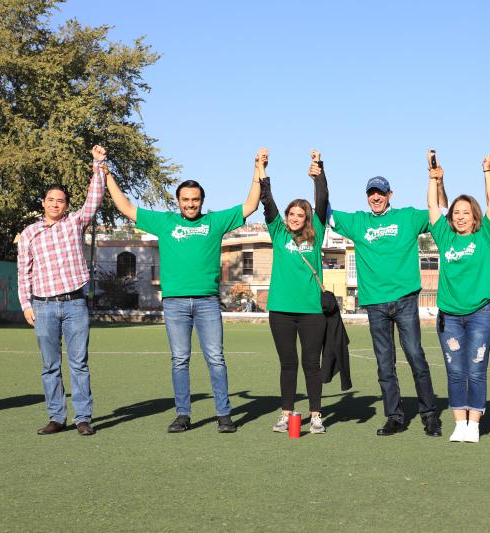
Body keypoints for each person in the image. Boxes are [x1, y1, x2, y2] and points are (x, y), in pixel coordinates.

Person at [103, 151, 262, 434]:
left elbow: (250, 205)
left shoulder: (215, 222)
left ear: (202, 201)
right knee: (179, 360)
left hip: (207, 302)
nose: (190, 204)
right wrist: (106, 174)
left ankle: (224, 414)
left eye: (195, 199)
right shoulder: (164, 222)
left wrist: (258, 169)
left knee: (216, 359)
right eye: (186, 199)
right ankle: (183, 414)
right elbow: (126, 207)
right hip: (175, 303)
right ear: (178, 201)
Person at [329, 163, 448, 437]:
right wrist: (319, 176)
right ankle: (394, 416)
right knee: (384, 363)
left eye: (380, 193)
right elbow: (326, 213)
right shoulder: (358, 222)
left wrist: (438, 181)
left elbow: (440, 211)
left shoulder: (407, 217)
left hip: (405, 299)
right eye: (371, 193)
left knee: (415, 355)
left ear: (389, 194)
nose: (376, 197)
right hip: (375, 303)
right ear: (366, 196)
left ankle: (430, 415)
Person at [17, 145, 107, 436]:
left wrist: (98, 165)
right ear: (43, 203)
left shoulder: (75, 223)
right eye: (51, 200)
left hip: (74, 304)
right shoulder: (30, 233)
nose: (56, 204)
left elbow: (94, 199)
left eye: (61, 201)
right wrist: (26, 304)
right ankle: (57, 417)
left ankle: (83, 418)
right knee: (49, 365)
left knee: (79, 363)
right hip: (42, 306)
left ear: (67, 205)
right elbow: (23, 272)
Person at [427, 151, 490, 443]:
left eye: (465, 212)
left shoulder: (485, 237)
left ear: (474, 216)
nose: (459, 217)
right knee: (455, 370)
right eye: (456, 212)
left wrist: (488, 173)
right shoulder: (445, 237)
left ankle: (474, 424)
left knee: (476, 369)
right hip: (450, 317)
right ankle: (460, 423)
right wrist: (432, 177)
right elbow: (432, 205)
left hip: (481, 314)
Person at [260, 149, 329, 434]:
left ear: (307, 218)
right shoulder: (278, 232)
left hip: (312, 310)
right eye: (291, 214)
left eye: (300, 215)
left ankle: (316, 416)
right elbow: (267, 201)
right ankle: (286, 413)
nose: (295, 218)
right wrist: (262, 169)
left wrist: (318, 171)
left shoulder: (318, 232)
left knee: (312, 364)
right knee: (288, 363)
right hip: (281, 310)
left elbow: (323, 199)